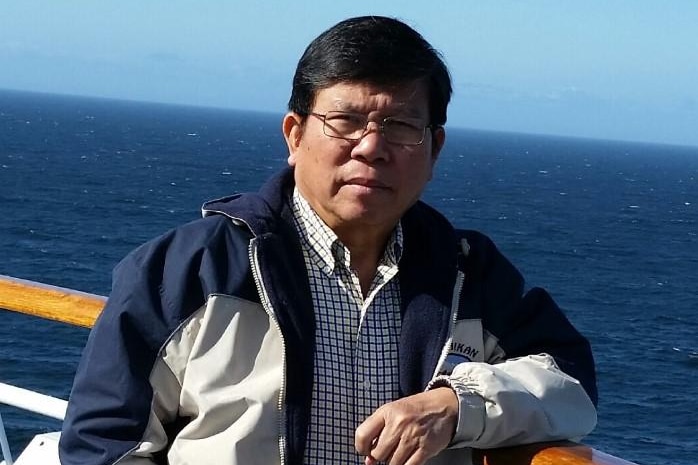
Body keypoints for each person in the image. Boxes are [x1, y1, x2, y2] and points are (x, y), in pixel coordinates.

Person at [59, 15, 597, 465]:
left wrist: (459, 405)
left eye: (401, 127)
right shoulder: (188, 271)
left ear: (435, 149)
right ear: (294, 135)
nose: (372, 147)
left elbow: (571, 385)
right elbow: (103, 444)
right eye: (345, 120)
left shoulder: (470, 275)